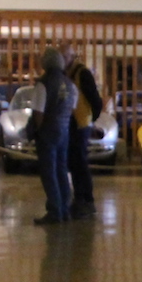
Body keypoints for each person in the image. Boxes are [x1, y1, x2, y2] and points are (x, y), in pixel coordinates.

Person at [33, 48, 78, 224]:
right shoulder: (70, 84)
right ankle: (65, 209)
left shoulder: (43, 84)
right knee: (61, 170)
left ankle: (54, 211)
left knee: (49, 172)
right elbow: (72, 109)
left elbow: (38, 113)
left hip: (48, 132)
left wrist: (38, 131)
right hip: (64, 131)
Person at [61, 44, 105, 216]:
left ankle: (86, 199)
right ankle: (80, 198)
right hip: (71, 122)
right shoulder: (65, 73)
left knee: (79, 162)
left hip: (80, 123)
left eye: (65, 57)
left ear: (72, 57)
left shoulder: (82, 74)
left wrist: (90, 120)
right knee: (74, 162)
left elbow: (96, 100)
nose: (62, 61)